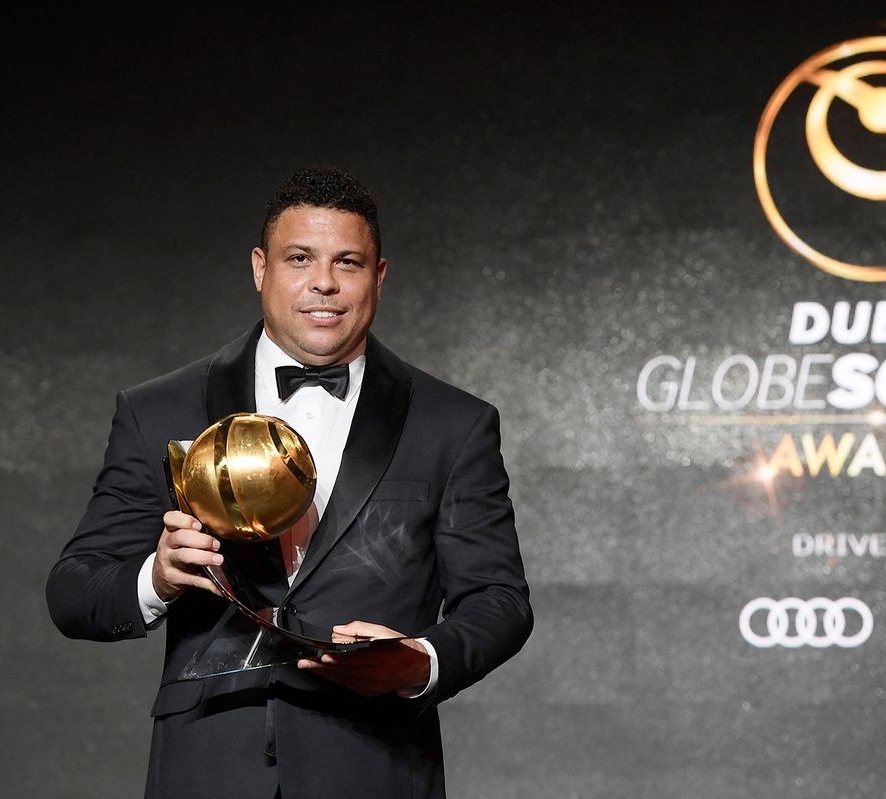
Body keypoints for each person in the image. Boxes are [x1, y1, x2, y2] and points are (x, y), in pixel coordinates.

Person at [46, 166, 533, 799]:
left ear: (379, 276)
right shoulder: (158, 410)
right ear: (260, 268)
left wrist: (419, 660)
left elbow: (500, 601)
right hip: (206, 766)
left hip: (375, 766)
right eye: (299, 258)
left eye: (349, 262)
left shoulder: (454, 424)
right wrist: (157, 578)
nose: (324, 283)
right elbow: (74, 591)